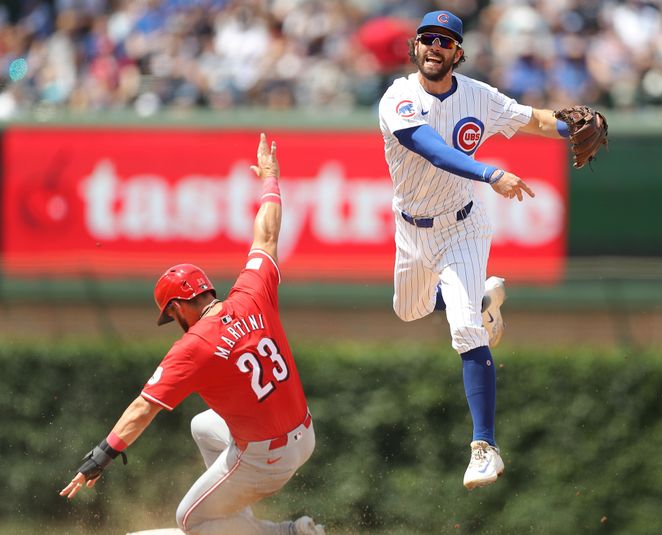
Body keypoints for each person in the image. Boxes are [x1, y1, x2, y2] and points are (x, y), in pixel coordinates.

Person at [378, 10, 605, 490]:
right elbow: (429, 146)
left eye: (446, 41)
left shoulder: (479, 96)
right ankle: (480, 303)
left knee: (463, 330)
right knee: (408, 310)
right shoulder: (398, 97)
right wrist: (490, 172)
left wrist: (581, 126)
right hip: (411, 230)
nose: (435, 47)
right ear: (415, 48)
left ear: (458, 53)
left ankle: (484, 447)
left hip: (463, 225)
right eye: (427, 39)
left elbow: (537, 120)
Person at [60, 134, 325, 535]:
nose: (174, 323)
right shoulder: (251, 293)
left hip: (267, 458)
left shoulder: (194, 346)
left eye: (171, 315)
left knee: (191, 519)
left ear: (179, 307)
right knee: (203, 425)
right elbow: (267, 235)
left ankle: (290, 533)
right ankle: (242, 524)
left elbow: (142, 408)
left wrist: (102, 456)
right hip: (303, 434)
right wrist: (270, 179)